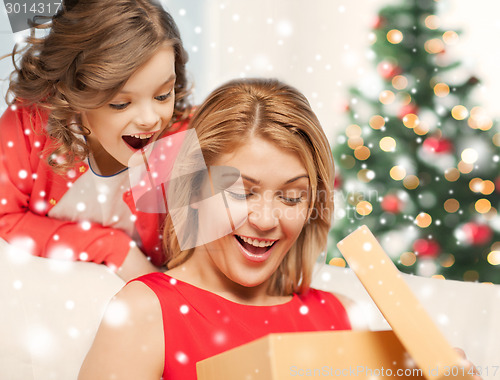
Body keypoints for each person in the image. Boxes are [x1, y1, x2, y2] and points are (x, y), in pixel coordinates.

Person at [78, 78, 353, 379]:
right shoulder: (145, 313)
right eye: (240, 193)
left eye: (291, 198)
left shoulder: (345, 317)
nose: (265, 221)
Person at [0, 0, 192, 281]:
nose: (150, 119)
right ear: (72, 94)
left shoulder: (183, 138)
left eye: (163, 95)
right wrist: (111, 247)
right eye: (121, 103)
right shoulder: (30, 121)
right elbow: (4, 218)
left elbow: (209, 259)